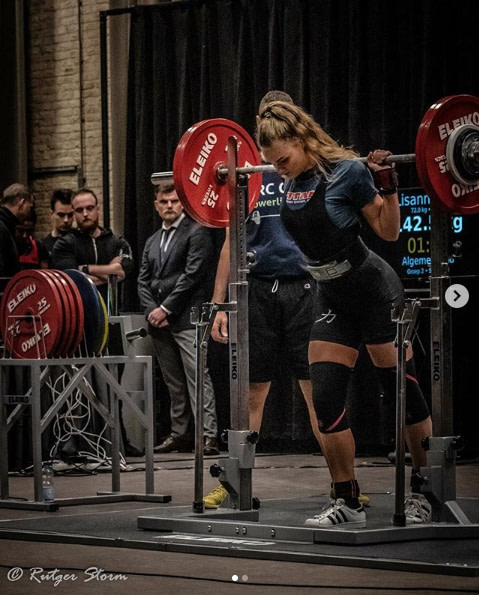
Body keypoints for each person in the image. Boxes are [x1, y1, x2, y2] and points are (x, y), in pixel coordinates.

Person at [254, 100, 433, 527]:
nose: (277, 169)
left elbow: (389, 230)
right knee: (326, 400)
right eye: (271, 163)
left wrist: (388, 185)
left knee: (402, 393)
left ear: (301, 139)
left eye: (282, 160)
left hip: (374, 291)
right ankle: (347, 501)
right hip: (331, 296)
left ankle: (426, 490)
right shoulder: (293, 179)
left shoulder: (348, 172)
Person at [203, 91, 370, 510]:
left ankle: (344, 485)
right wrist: (219, 305)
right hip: (257, 291)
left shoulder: (310, 170)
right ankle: (235, 485)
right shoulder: (249, 174)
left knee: (319, 393)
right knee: (251, 395)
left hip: (307, 289)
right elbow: (230, 242)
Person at [137, 182, 219, 456]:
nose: (169, 206)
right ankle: (180, 434)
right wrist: (152, 311)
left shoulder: (197, 231)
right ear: (156, 205)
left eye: (174, 201)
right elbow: (142, 280)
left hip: (186, 319)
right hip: (159, 324)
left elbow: (192, 275)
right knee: (173, 382)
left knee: (198, 377)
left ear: (183, 202)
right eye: (164, 202)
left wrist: (165, 309)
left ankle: (208, 436)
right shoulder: (152, 240)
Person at [52, 187, 134, 306]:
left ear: (98, 209)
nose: (85, 214)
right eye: (79, 210)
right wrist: (110, 272)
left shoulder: (118, 242)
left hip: (113, 311)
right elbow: (73, 282)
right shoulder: (64, 244)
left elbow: (122, 273)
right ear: (74, 213)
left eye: (89, 208)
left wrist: (85, 269)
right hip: (81, 312)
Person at [0, 183, 34, 291]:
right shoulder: (2, 229)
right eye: (30, 206)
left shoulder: (6, 227)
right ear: (22, 203)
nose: (29, 212)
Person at [42, 188, 74, 263]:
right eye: (61, 215)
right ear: (51, 214)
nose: (66, 220)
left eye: (70, 215)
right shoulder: (44, 246)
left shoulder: (79, 242)